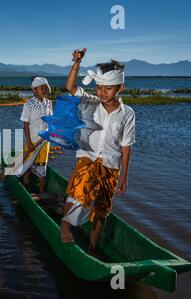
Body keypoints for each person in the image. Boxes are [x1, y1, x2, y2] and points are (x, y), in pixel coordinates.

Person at [60, 48, 136, 255]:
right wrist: (76, 63)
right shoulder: (89, 103)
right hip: (88, 157)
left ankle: (92, 247)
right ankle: (65, 226)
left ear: (120, 87)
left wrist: (124, 176)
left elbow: (126, 145)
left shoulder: (127, 114)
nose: (101, 92)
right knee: (79, 192)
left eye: (108, 88)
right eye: (99, 87)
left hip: (111, 164)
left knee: (102, 210)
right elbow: (71, 87)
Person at [20, 76, 53, 195]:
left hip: (44, 141)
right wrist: (28, 142)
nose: (44, 90)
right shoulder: (29, 104)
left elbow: (50, 121)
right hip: (33, 140)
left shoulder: (48, 103)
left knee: (42, 166)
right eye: (41, 87)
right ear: (34, 90)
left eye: (45, 87)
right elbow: (25, 124)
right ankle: (25, 185)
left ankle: (41, 191)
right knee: (28, 165)